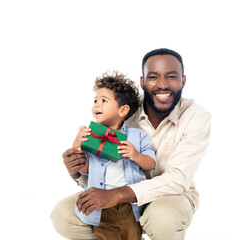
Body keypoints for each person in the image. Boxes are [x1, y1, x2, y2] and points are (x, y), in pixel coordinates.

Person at [51, 48, 211, 240]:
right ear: (142, 82)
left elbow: (178, 179)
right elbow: (102, 164)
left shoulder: (196, 117)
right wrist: (77, 169)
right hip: (115, 193)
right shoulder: (122, 107)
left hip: (169, 196)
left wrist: (117, 195)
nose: (162, 84)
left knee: (163, 219)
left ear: (183, 81)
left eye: (171, 76)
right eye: (153, 77)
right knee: (63, 215)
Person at [71, 71, 156, 240]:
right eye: (95, 100)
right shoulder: (90, 135)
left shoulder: (137, 136)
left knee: (132, 236)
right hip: (100, 205)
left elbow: (151, 163)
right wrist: (77, 143)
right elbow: (84, 168)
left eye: (103, 101)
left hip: (129, 204)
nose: (96, 105)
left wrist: (136, 155)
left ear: (123, 110)